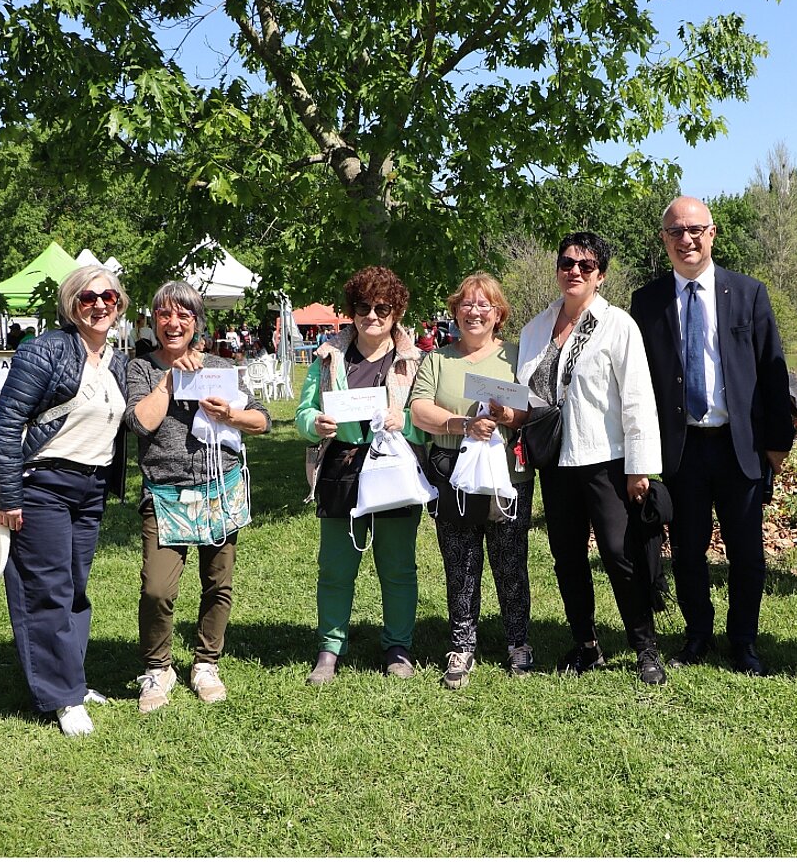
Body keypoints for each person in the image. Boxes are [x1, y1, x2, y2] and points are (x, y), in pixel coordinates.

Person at [629, 197, 793, 676]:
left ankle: (744, 640)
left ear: (713, 234)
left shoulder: (748, 294)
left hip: (737, 444)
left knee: (747, 552)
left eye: (696, 229)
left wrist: (777, 444)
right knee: (688, 550)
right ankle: (697, 633)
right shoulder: (648, 301)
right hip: (682, 448)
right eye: (677, 232)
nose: (687, 239)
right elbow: (638, 382)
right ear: (665, 241)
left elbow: (772, 370)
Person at [518, 231, 669, 685]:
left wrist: (639, 467)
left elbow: (638, 399)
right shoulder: (534, 329)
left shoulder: (617, 325)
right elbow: (527, 393)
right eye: (567, 263)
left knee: (620, 555)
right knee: (566, 558)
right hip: (555, 462)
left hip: (605, 458)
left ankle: (645, 648)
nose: (575, 272)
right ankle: (586, 645)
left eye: (586, 266)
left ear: (601, 275)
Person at [0, 265, 131, 736]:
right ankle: (61, 697)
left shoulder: (116, 359)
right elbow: (6, 424)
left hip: (90, 489)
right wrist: (10, 495)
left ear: (119, 303)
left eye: (108, 297)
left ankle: (71, 679)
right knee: (45, 589)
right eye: (88, 298)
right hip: (43, 484)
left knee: (74, 587)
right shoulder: (46, 350)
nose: (99, 305)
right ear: (72, 304)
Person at [124, 282, 271, 713]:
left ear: (195, 322)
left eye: (183, 316)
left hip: (218, 487)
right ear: (154, 320)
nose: (173, 324)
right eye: (165, 315)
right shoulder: (142, 370)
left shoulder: (220, 367)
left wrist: (231, 415)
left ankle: (206, 662)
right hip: (164, 492)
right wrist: (172, 380)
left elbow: (262, 420)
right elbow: (139, 423)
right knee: (156, 588)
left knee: (218, 584)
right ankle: (158, 668)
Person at [296, 266, 426, 684]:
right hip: (342, 468)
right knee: (335, 567)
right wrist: (314, 422)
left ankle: (398, 647)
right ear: (351, 311)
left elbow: (426, 422)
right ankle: (329, 649)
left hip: (394, 470)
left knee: (398, 566)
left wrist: (401, 419)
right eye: (363, 307)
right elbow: (302, 414)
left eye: (382, 307)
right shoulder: (327, 355)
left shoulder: (414, 361)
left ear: (397, 310)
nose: (373, 315)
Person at [410, 274, 535, 688]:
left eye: (484, 305)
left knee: (510, 559)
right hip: (452, 470)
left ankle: (519, 643)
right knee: (460, 562)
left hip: (507, 471)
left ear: (498, 313)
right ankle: (462, 646)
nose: (474, 312)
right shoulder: (438, 359)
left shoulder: (517, 356)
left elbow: (530, 412)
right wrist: (463, 423)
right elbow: (419, 410)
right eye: (466, 304)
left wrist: (507, 417)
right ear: (455, 312)